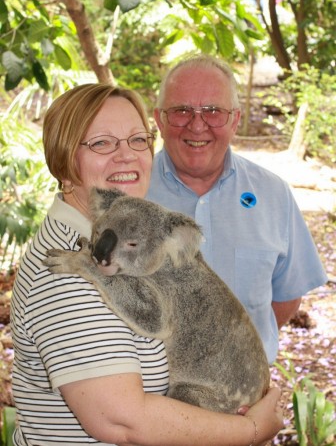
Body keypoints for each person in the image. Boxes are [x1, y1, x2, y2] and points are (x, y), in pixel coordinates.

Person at [11, 83, 283, 445]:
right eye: (102, 143)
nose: (126, 155)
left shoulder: (113, 229)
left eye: (137, 140)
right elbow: (123, 423)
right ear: (64, 158)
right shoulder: (69, 272)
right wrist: (251, 431)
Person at [147, 54, 328, 364]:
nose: (197, 124)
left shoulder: (273, 194)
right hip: (149, 400)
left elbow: (285, 298)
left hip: (243, 398)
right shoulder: (130, 195)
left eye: (213, 111)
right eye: (181, 111)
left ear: (235, 120)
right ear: (160, 120)